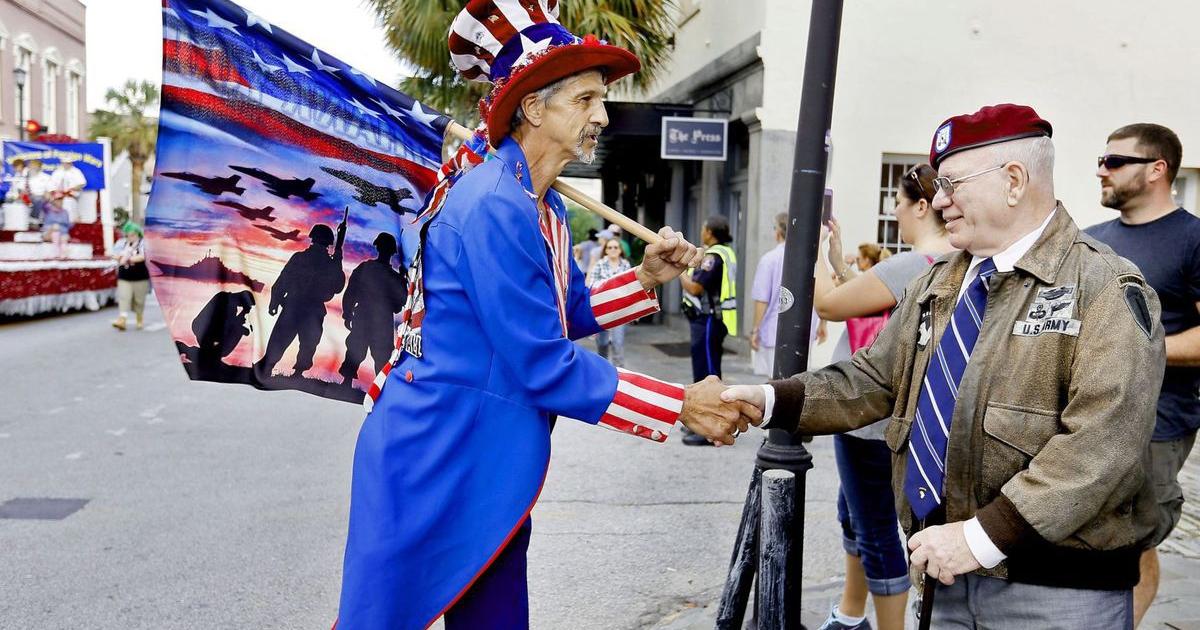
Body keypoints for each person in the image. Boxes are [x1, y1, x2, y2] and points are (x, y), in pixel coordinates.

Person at [335, 3, 757, 628]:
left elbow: (568, 310)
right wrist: (678, 406)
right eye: (585, 99)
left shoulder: (543, 207)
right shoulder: (495, 205)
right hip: (434, 455)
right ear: (533, 107)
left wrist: (645, 278)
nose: (603, 116)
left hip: (483, 455)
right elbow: (541, 362)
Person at [723, 104, 1165, 629]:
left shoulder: (1104, 286)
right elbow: (875, 378)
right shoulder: (941, 283)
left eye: (952, 183)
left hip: (1055, 591)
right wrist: (771, 401)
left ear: (1014, 181)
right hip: (947, 574)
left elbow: (1103, 441)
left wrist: (980, 538)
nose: (938, 200)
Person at [810, 165, 955, 630]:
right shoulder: (952, 262)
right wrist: (839, 261)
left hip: (868, 417)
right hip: (908, 415)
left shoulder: (908, 264)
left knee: (874, 529)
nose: (893, 209)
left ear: (921, 206)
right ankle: (852, 613)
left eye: (898, 200)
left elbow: (829, 305)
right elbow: (877, 300)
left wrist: (812, 256)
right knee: (855, 513)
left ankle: (883, 624)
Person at [1085, 122, 1200, 627]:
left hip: (1157, 422)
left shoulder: (1194, 239)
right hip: (1086, 413)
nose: (1101, 170)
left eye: (1114, 161)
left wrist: (1135, 351)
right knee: (1083, 534)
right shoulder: (1089, 241)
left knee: (1132, 540)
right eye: (1101, 160)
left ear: (1157, 170)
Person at [255, 222, 346, 377]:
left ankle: (267, 367)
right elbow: (337, 287)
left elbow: (283, 280)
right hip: (312, 308)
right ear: (327, 242)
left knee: (282, 338)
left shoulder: (300, 257)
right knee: (308, 343)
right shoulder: (329, 264)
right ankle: (297, 372)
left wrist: (275, 301)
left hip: (294, 305)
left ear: (313, 238)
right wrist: (337, 259)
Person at [679, 214, 738, 446]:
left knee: (707, 374)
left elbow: (695, 288)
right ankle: (707, 423)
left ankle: (710, 429)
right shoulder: (727, 252)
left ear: (710, 232)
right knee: (709, 370)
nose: (702, 231)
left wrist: (679, 271)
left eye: (704, 228)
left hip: (708, 320)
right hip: (713, 320)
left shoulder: (714, 256)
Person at [338, 232, 408, 386]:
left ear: (378, 247)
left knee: (361, 350)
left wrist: (347, 313)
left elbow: (351, 292)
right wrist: (403, 281)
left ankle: (351, 382)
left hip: (370, 318)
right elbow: (401, 302)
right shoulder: (392, 277)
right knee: (362, 350)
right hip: (378, 320)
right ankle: (376, 386)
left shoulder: (366, 268)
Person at [750, 213, 788, 375]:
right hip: (804, 335)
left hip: (773, 332)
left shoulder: (769, 259)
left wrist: (755, 330)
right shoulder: (810, 258)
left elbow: (761, 299)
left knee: (775, 383)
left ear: (778, 231)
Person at [586, 235, 632, 366]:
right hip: (603, 310)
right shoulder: (600, 265)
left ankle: (621, 377)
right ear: (605, 250)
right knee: (602, 344)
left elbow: (630, 286)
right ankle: (604, 372)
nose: (612, 249)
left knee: (618, 343)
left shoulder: (626, 265)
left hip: (620, 310)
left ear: (620, 250)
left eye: (615, 247)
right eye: (609, 247)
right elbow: (592, 286)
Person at [110, 222, 150, 330]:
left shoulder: (143, 243)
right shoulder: (121, 243)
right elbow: (114, 254)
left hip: (140, 276)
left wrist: (128, 258)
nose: (130, 237)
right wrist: (118, 257)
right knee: (123, 297)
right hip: (124, 275)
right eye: (127, 235)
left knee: (139, 300)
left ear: (138, 234)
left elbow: (143, 256)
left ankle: (139, 316)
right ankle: (122, 319)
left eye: (132, 234)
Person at [25, 160, 52, 226]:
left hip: (41, 196)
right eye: (31, 166)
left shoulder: (46, 177)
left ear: (39, 167)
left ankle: (34, 219)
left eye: (34, 166)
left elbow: (49, 190)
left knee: (38, 199)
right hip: (28, 196)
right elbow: (23, 188)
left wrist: (47, 193)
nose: (32, 167)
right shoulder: (27, 177)